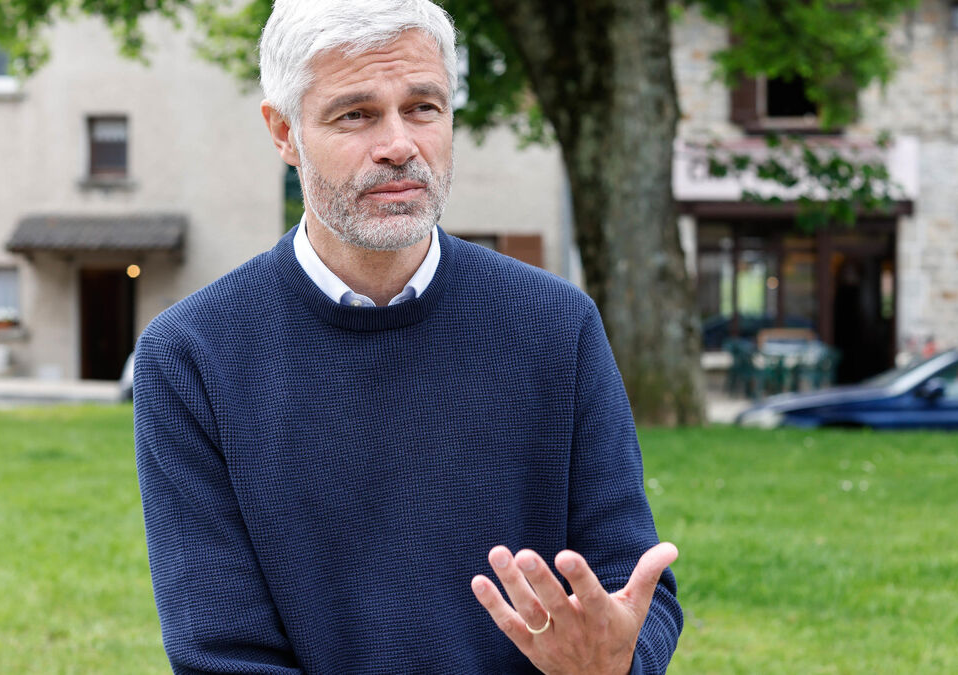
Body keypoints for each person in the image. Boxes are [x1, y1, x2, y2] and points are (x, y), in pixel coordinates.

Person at [133, 0, 682, 672]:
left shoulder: (556, 326)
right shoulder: (193, 356)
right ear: (283, 131)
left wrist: (620, 659)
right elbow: (221, 652)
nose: (399, 143)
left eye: (423, 106)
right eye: (356, 114)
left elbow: (631, 594)